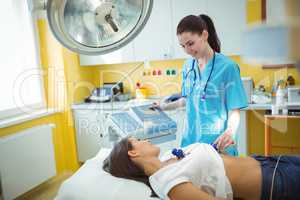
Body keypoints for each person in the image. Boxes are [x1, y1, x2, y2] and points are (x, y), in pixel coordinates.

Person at [152, 14, 248, 155]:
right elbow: (187, 100)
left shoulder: (228, 67)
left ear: (204, 35)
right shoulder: (187, 66)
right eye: (183, 46)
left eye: (190, 44)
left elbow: (234, 109)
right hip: (191, 142)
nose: (187, 50)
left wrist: (230, 131)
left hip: (217, 143)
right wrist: (164, 107)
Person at [103, 137, 300, 200]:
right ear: (133, 153)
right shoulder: (168, 184)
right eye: (138, 141)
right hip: (273, 181)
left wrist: (216, 150)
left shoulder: (168, 159)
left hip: (270, 162)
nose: (145, 140)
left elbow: (206, 171)